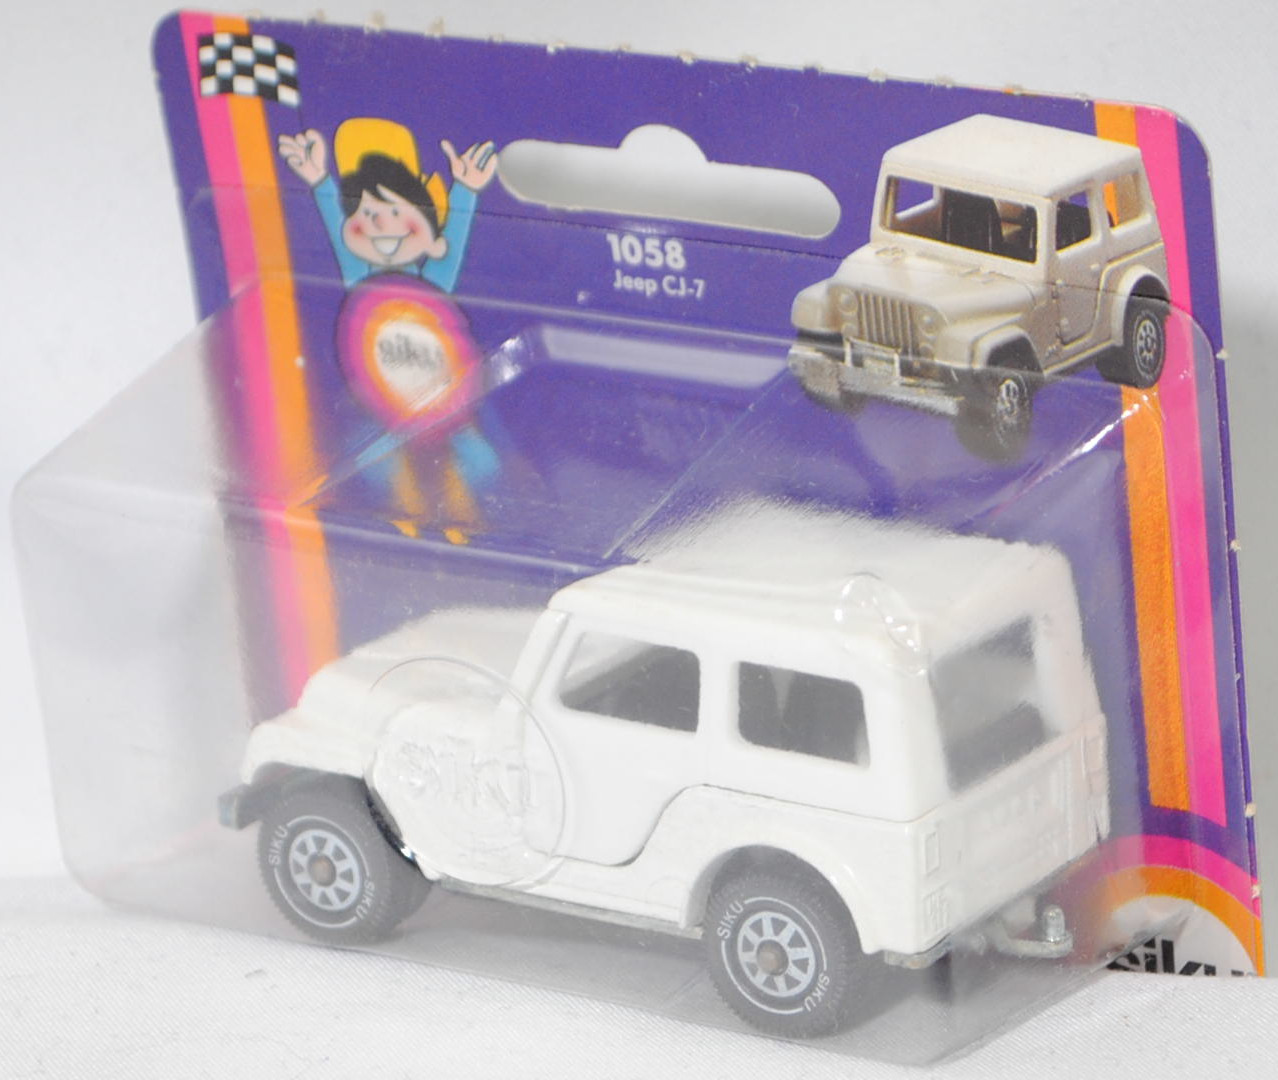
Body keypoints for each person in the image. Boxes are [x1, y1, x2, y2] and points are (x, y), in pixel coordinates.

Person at [278, 117, 497, 291]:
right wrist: (319, 180)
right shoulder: (360, 278)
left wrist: (465, 190)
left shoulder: (427, 286)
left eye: (395, 212)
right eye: (366, 212)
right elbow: (340, 236)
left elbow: (448, 257)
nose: (380, 222)